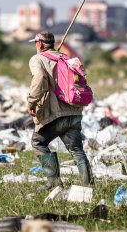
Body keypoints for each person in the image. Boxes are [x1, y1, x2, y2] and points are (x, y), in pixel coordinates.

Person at [27, 31, 93, 191]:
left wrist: (31, 101)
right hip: (74, 111)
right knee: (77, 150)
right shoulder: (64, 58)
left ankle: (54, 182)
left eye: (36, 43)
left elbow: (39, 78)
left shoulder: (37, 59)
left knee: (38, 142)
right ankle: (88, 186)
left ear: (40, 44)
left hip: (55, 114)